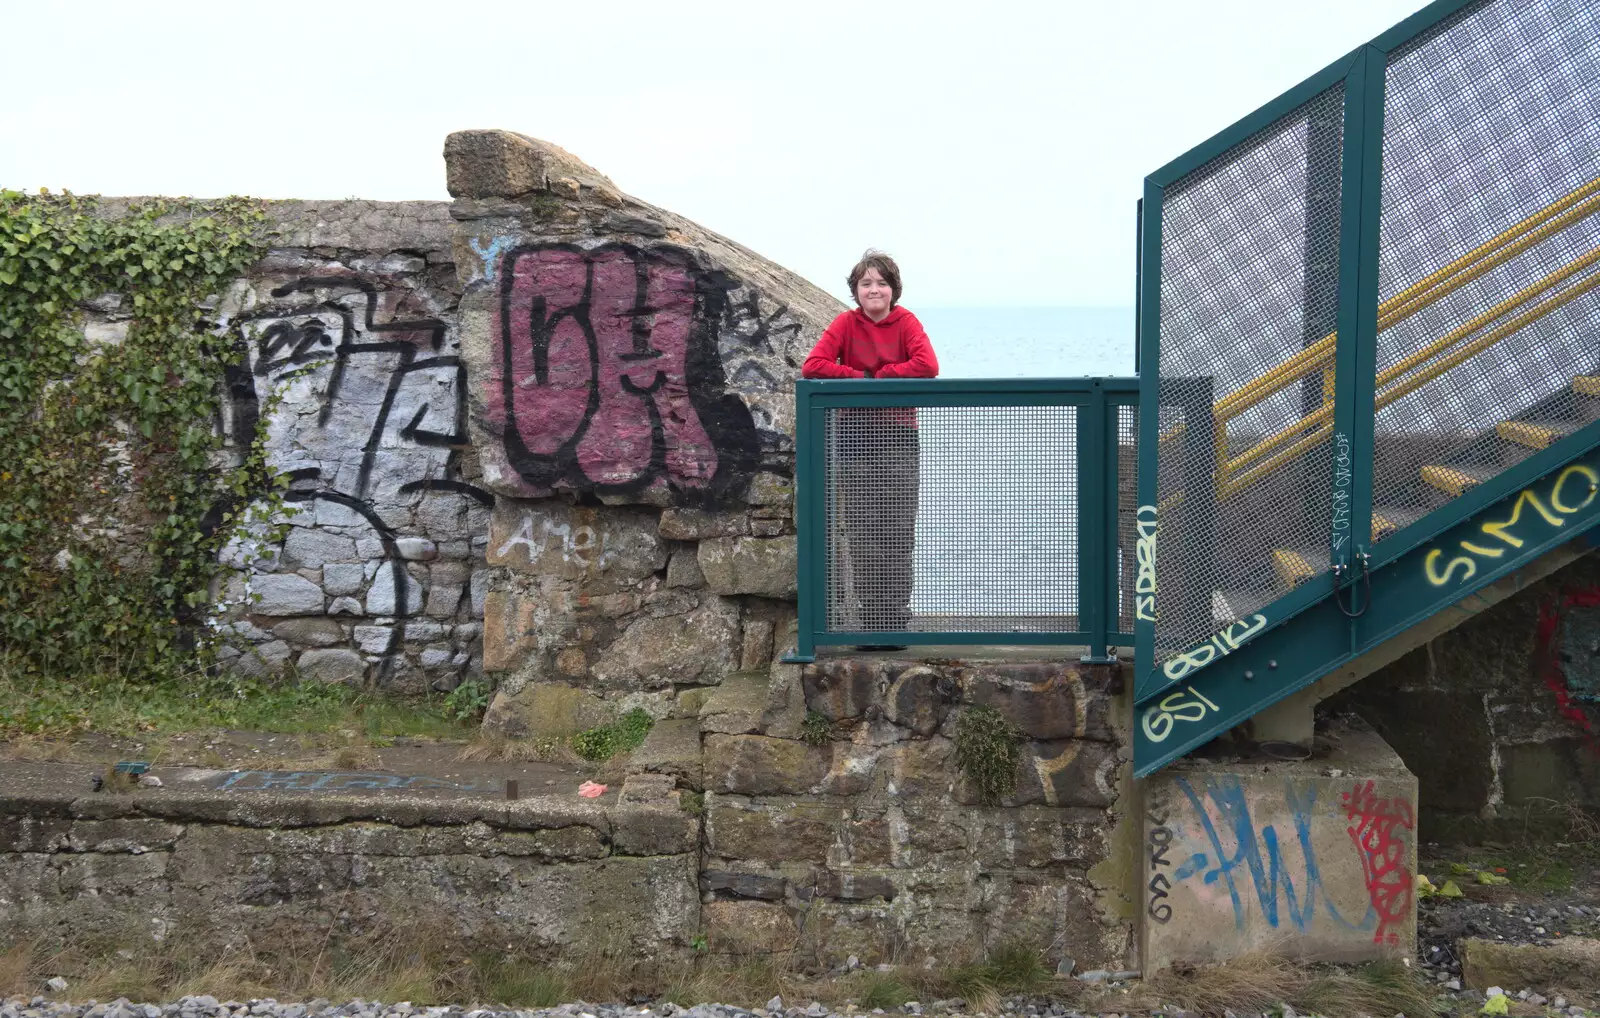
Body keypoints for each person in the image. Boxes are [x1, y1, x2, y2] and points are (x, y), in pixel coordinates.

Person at [801, 250, 938, 650]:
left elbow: (927, 365)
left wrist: (881, 378)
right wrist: (860, 376)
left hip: (897, 437)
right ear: (856, 291)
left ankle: (894, 622)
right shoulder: (846, 323)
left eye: (881, 283)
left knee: (897, 531)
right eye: (866, 283)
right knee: (862, 532)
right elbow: (815, 365)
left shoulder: (906, 322)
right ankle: (870, 621)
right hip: (855, 435)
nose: (874, 289)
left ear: (893, 289)